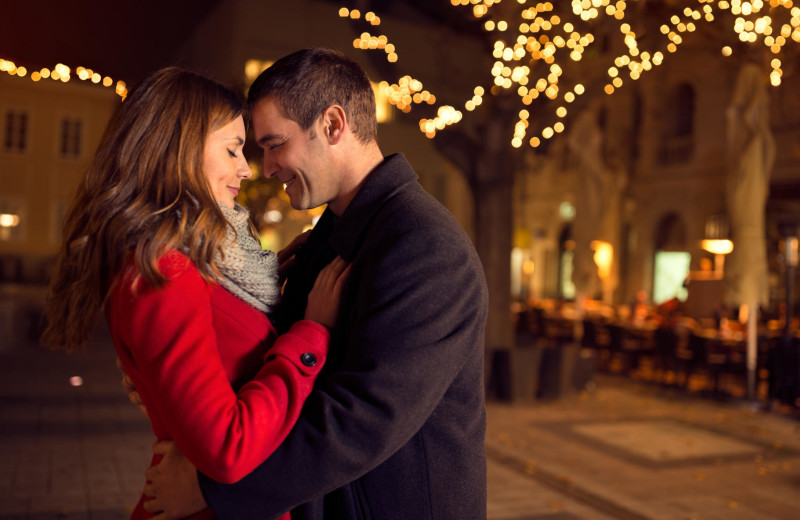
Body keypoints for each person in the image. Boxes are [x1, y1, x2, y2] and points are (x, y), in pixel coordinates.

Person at [142, 48, 489, 520]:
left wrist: (214, 490)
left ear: (332, 125)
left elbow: (362, 419)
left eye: (274, 144)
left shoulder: (426, 247)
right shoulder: (333, 232)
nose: (265, 168)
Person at [41, 66, 349, 520]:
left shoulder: (192, 263)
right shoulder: (161, 269)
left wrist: (268, 282)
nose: (247, 170)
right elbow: (227, 447)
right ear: (178, 150)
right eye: (233, 149)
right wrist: (311, 335)